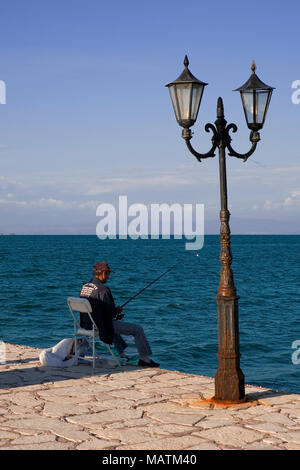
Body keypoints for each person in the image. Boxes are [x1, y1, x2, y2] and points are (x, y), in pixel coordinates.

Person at [80, 261, 159, 368]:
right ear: (102, 273)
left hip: (87, 324)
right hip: (100, 325)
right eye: (108, 274)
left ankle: (119, 354)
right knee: (137, 329)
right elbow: (111, 314)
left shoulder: (85, 287)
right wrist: (117, 311)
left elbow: (98, 309)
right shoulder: (103, 290)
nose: (108, 277)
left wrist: (114, 314)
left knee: (113, 323)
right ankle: (144, 359)